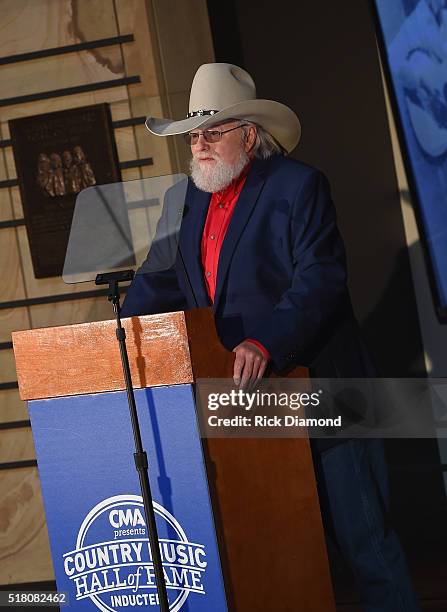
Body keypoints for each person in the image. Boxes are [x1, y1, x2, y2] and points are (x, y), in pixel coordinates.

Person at [121, 63, 420, 611]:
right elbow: (157, 280)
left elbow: (320, 279)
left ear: (249, 135)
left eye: (213, 130)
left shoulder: (297, 186)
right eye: (194, 132)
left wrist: (264, 340)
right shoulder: (182, 202)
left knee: (366, 547)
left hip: (325, 393)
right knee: (284, 554)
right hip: (243, 409)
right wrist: (113, 337)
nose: (200, 143)